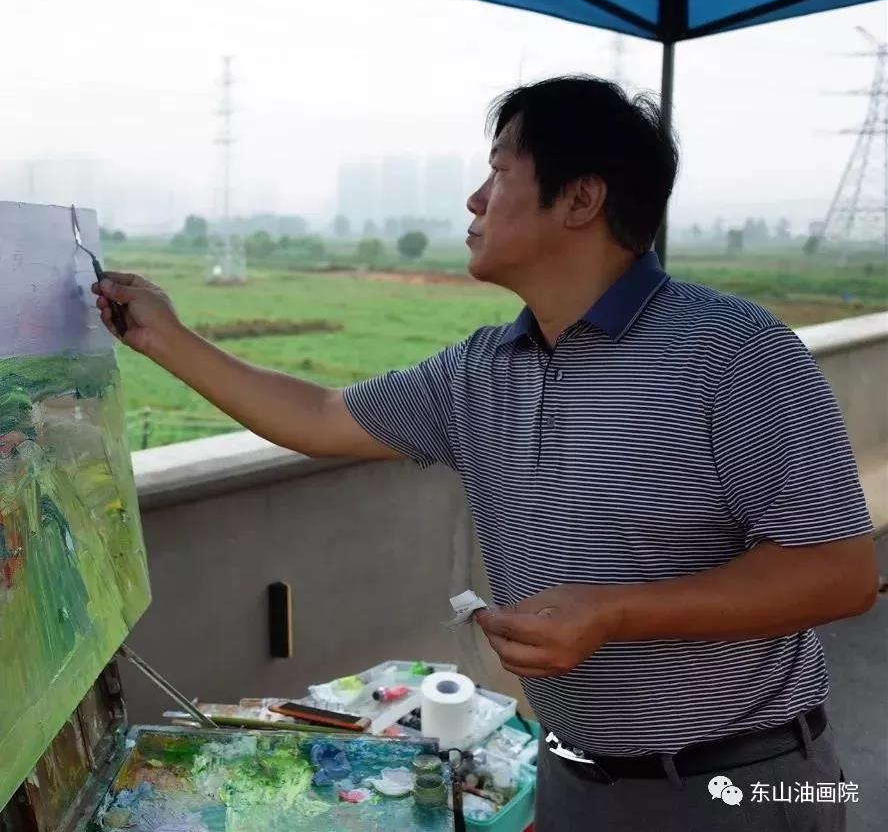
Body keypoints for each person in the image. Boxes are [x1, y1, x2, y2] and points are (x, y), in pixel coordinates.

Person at [92, 76, 877, 832]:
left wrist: (615, 612)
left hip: (732, 784)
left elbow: (839, 571)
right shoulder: (481, 369)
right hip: (572, 776)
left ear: (580, 198)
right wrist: (166, 337)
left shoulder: (734, 354)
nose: (474, 198)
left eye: (499, 171)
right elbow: (322, 415)